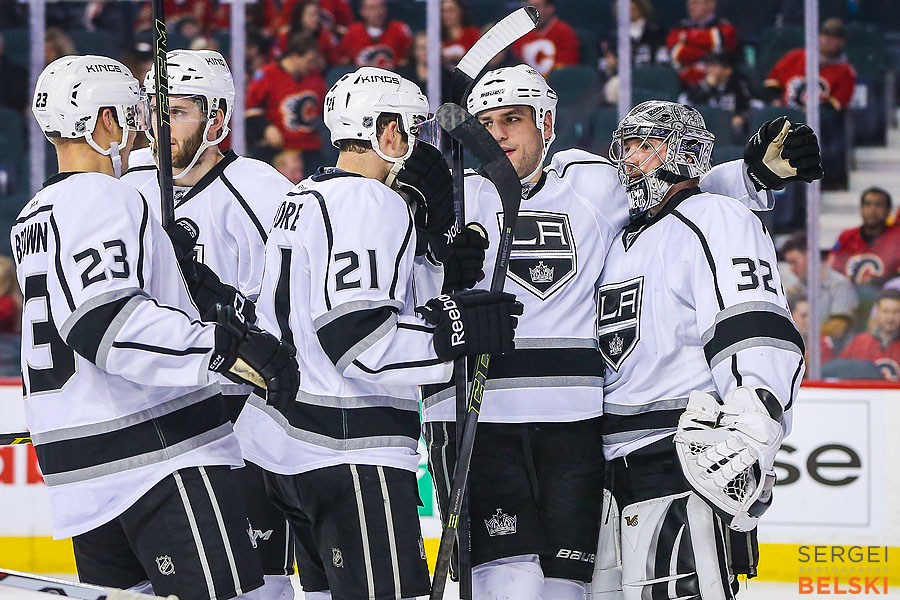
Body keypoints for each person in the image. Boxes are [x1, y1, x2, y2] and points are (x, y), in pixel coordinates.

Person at [420, 64, 821, 600]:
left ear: (546, 122)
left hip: (638, 438)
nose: (498, 134)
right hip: (584, 445)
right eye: (487, 123)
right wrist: (437, 252)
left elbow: (742, 300)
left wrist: (752, 176)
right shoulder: (463, 200)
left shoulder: (628, 196)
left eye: (512, 119)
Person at [233, 66, 523, 600]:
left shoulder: (302, 197)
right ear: (388, 132)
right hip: (347, 448)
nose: (414, 148)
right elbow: (360, 342)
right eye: (409, 131)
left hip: (282, 449)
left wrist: (433, 263)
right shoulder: (371, 202)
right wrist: (454, 336)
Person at [17, 54, 298, 600]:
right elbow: (104, 322)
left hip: (80, 468)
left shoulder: (34, 213)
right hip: (156, 453)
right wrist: (223, 347)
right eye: (132, 113)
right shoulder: (106, 194)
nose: (142, 127)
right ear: (103, 120)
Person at [589, 100, 809, 599]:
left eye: (646, 146)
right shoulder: (618, 237)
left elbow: (753, 324)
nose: (630, 159)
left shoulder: (717, 217)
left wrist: (753, 428)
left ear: (685, 152)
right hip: (609, 466)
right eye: (626, 147)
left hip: (684, 454)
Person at [122, 49, 299, 600]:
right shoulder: (130, 185)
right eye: (155, 111)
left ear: (217, 117)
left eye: (177, 112)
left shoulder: (262, 190)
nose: (160, 126)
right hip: (156, 415)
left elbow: (293, 312)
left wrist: (220, 302)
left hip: (242, 415)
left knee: (258, 584)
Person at [764, 18, 856, 188]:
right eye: (825, 35)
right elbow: (772, 84)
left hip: (816, 126)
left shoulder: (845, 71)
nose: (829, 41)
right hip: (784, 118)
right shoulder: (796, 57)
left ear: (841, 42)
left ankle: (825, 179)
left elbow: (836, 107)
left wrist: (807, 115)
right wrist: (776, 103)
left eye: (834, 37)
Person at [246, 33, 328, 162]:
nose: (312, 66)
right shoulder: (268, 75)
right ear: (295, 57)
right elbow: (250, 111)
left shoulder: (316, 78)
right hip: (278, 150)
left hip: (310, 149)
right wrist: (265, 128)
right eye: (309, 61)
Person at [781, 233, 858, 345]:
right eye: (789, 263)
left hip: (835, 351)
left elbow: (838, 328)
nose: (791, 269)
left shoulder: (840, 285)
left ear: (810, 256)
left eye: (794, 262)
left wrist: (803, 330)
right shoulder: (796, 290)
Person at [828, 187, 900, 292]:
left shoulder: (897, 237)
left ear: (888, 210)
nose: (872, 210)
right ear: (861, 208)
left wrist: (878, 281)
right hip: (849, 296)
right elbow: (831, 270)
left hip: (886, 297)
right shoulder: (846, 236)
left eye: (879, 205)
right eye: (868, 204)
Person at [680, 52, 756, 142]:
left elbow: (751, 105)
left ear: (728, 70)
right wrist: (707, 86)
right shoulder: (701, 87)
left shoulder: (738, 86)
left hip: (731, 132)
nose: (710, 69)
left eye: (715, 66)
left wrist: (741, 117)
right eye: (709, 65)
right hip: (705, 130)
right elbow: (690, 103)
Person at [666, 0, 737, 87]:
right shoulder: (680, 26)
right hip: (686, 83)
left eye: (696, 2)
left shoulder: (724, 25)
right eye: (689, 3)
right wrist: (705, 53)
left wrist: (687, 39)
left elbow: (719, 41)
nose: (691, 7)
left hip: (718, 82)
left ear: (711, 4)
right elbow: (675, 53)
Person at [839, 289, 900, 380]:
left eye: (896, 312)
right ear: (877, 312)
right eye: (885, 311)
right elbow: (840, 372)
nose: (890, 317)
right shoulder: (859, 342)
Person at [512, 0, 579, 77]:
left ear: (550, 8)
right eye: (529, 7)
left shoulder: (564, 31)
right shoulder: (522, 32)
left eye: (536, 7)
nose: (531, 12)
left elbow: (568, 68)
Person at [340, 0, 413, 68]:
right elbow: (343, 59)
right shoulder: (352, 32)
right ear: (363, 11)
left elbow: (409, 58)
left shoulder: (400, 29)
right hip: (362, 76)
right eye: (372, 8)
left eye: (381, 6)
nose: (378, 12)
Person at [440, 0, 481, 69]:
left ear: (461, 11)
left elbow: (479, 58)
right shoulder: (436, 37)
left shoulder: (472, 33)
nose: (447, 15)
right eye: (443, 11)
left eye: (451, 10)